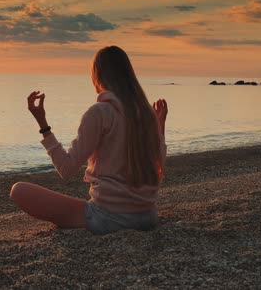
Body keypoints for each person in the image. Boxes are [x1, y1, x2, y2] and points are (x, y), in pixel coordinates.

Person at [9, 45, 168, 235]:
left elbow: (66, 169)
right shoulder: (146, 113)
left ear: (97, 75)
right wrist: (159, 126)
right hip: (147, 217)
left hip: (108, 218)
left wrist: (42, 123)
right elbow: (158, 166)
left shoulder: (100, 113)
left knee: (18, 190)